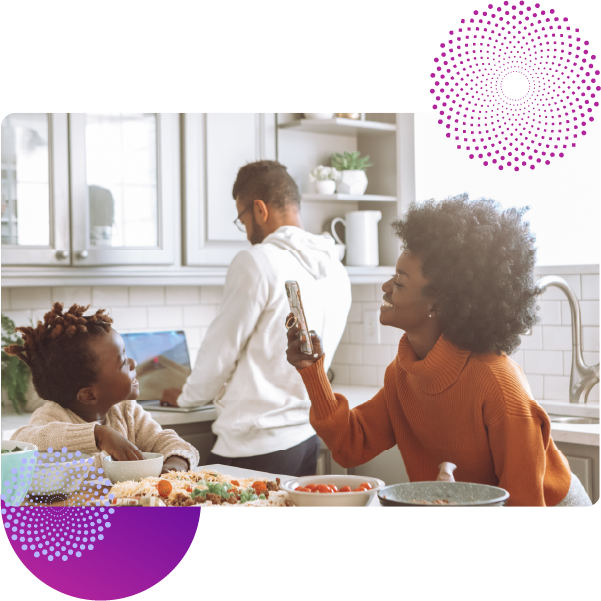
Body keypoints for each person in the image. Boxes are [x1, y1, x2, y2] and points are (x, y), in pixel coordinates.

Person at [286, 195, 591, 507]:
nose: (385, 287)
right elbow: (351, 443)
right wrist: (312, 371)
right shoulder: (403, 373)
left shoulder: (498, 384)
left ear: (438, 304)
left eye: (400, 283)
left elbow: (524, 510)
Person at [161, 160, 351, 476]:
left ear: (260, 209)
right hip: (306, 440)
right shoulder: (335, 269)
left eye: (243, 218)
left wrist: (186, 397)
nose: (247, 231)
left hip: (254, 446)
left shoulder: (257, 261)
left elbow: (219, 352)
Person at [6, 302, 199, 474]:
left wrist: (174, 465)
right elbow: (23, 439)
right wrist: (99, 435)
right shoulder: (52, 417)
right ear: (89, 394)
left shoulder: (126, 411)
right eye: (122, 362)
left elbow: (170, 443)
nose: (133, 362)